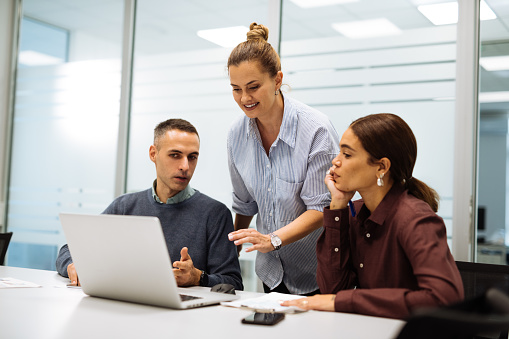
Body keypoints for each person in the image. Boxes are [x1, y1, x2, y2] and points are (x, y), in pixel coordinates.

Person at [282, 113, 464, 318]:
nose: (335, 161)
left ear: (381, 167)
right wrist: (338, 205)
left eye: (347, 155)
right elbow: (332, 288)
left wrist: (345, 301)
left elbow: (444, 299)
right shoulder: (355, 212)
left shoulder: (415, 219)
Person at [56, 119, 243, 290]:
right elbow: (69, 249)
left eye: (192, 157)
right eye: (175, 155)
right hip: (128, 309)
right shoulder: (124, 207)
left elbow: (233, 283)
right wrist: (74, 265)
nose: (185, 166)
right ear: (153, 154)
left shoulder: (215, 214)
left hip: (185, 319)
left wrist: (198, 278)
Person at [226, 22, 340, 295]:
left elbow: (321, 208)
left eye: (253, 87)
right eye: (236, 88)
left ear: (277, 80)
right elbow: (245, 204)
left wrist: (273, 239)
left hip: (316, 272)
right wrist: (231, 250)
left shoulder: (316, 129)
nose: (244, 98)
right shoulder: (236, 134)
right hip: (271, 273)